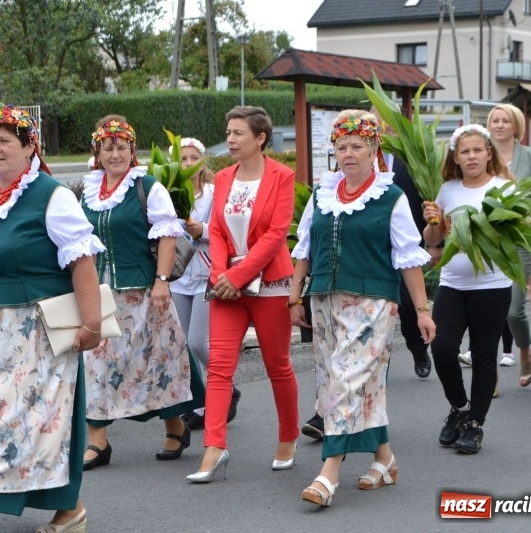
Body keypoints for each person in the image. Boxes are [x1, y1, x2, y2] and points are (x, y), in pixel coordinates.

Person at [0, 103, 103, 533]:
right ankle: (69, 510)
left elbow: (82, 261)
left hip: (40, 328)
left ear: (30, 146)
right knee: (32, 421)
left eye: (5, 141)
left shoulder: (51, 196)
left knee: (12, 421)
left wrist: (92, 324)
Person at [290, 109, 435, 508]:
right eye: (342, 146)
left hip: (373, 302)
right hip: (323, 299)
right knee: (347, 381)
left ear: (374, 150)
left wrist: (422, 310)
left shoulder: (391, 197)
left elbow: (409, 258)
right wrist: (294, 297)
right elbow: (303, 248)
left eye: (357, 146)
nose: (348, 153)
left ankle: (328, 473)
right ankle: (385, 460)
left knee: (344, 379)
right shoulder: (322, 194)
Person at [80, 116, 204, 470]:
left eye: (121, 147)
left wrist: (163, 280)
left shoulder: (147, 186)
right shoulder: (89, 192)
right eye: (108, 147)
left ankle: (176, 426)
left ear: (132, 151)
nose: (115, 154)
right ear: (98, 152)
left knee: (157, 362)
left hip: (143, 291)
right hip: (100, 293)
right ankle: (98, 441)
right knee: (97, 363)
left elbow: (167, 234)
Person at [187, 105, 299, 483]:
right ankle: (214, 446)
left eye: (238, 133)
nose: (230, 139)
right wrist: (222, 275)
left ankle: (288, 436)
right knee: (219, 366)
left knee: (277, 364)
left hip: (269, 284)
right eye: (229, 132)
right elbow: (216, 230)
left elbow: (275, 235)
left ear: (260, 138)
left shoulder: (283, 176)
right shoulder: (223, 177)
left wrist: (236, 276)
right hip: (227, 284)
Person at [423, 124, 514, 454]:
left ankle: (475, 423)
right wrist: (434, 221)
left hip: (492, 285)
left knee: (484, 354)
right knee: (443, 348)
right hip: (453, 283)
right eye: (465, 151)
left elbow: (517, 235)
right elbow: (433, 241)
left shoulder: (505, 188)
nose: (472, 156)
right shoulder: (447, 190)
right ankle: (459, 408)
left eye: (478, 150)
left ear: (489, 153)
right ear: (456, 158)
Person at [457, 104, 531, 392]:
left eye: (505, 121)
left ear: (516, 126)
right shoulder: (483, 155)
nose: (499, 125)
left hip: (518, 242)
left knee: (512, 311)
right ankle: (489, 375)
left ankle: (524, 350)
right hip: (486, 243)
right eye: (494, 120)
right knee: (488, 311)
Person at [170, 138, 242, 431]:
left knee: (199, 341)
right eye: (183, 159)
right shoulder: (171, 194)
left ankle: (227, 386)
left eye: (192, 158)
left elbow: (228, 228)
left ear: (202, 161)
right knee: (183, 344)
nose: (188, 164)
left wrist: (204, 229)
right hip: (179, 275)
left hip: (207, 274)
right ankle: (202, 405)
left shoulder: (214, 194)